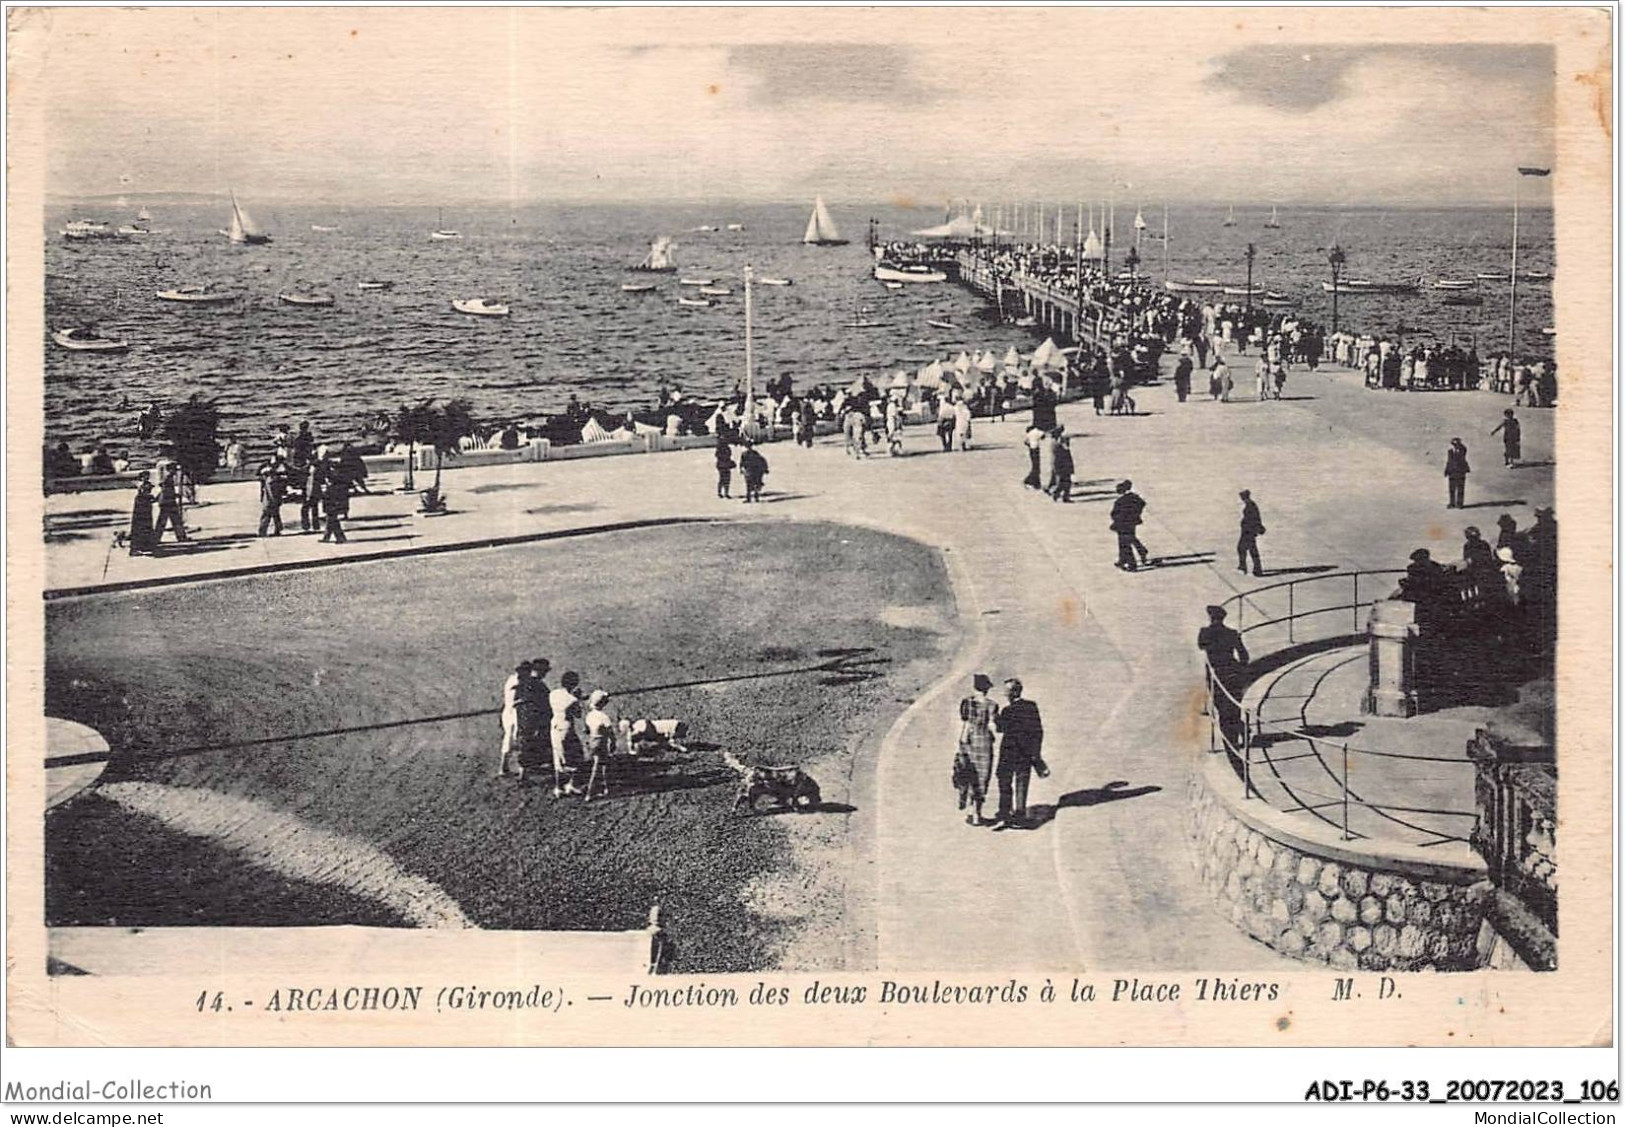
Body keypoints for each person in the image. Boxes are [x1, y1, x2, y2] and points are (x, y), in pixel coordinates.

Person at [992, 678, 1047, 828]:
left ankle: (1005, 812)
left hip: (1009, 751)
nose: (1004, 693)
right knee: (1022, 782)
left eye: (1006, 691)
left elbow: (1000, 729)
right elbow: (1038, 730)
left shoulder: (1007, 710)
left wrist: (996, 718)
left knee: (1004, 780)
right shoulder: (1031, 706)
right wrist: (1036, 752)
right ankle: (1020, 814)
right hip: (1025, 751)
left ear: (1012, 692)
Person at [1197, 606, 1250, 750]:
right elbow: (1244, 656)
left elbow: (1201, 646)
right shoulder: (1232, 633)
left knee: (1221, 706)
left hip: (1216, 673)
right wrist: (1239, 668)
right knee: (1233, 705)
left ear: (1210, 617)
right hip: (1232, 671)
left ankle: (1232, 739)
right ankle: (1241, 730)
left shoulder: (1205, 632)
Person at [954, 674, 1000, 826]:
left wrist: (962, 742)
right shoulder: (992, 705)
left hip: (970, 741)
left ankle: (968, 806)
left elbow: (966, 724)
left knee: (967, 773)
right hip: (985, 742)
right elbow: (993, 726)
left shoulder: (967, 703)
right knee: (982, 777)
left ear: (975, 688)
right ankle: (977, 813)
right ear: (986, 689)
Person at [549, 671, 586, 798]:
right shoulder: (572, 700)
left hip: (554, 727)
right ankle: (572, 785)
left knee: (558, 758)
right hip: (566, 728)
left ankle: (558, 788)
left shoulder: (553, 694)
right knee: (576, 756)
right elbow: (578, 714)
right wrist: (578, 699)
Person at [498, 661, 533, 778]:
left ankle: (504, 767)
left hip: (508, 714)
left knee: (508, 740)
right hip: (515, 715)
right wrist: (528, 699)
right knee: (519, 740)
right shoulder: (518, 683)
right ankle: (518, 770)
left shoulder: (511, 679)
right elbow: (515, 702)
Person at [582, 690, 617, 802]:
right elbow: (610, 732)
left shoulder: (589, 715)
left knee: (604, 764)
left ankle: (607, 788)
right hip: (601, 742)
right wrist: (613, 742)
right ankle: (589, 793)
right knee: (597, 767)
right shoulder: (604, 717)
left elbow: (586, 730)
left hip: (592, 741)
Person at [1109, 480, 1150, 571]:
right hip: (1132, 523)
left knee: (1125, 544)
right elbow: (1142, 504)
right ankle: (1128, 557)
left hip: (1122, 524)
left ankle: (1131, 564)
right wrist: (1136, 515)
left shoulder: (1120, 501)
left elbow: (1114, 513)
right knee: (1130, 539)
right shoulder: (1135, 498)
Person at [152, 463, 188, 545]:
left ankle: (180, 536)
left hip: (167, 501)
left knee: (171, 520)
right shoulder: (168, 478)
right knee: (168, 521)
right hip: (168, 502)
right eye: (174, 469)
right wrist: (175, 495)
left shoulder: (168, 477)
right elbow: (166, 491)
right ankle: (180, 537)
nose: (175, 471)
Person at [320, 456, 349, 543]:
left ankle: (339, 537)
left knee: (332, 520)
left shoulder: (339, 480)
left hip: (334, 503)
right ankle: (328, 537)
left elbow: (340, 494)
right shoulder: (335, 479)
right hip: (331, 502)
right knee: (331, 520)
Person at [127, 471, 156, 556]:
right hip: (141, 506)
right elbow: (144, 494)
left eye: (148, 476)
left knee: (146, 525)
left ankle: (145, 545)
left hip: (146, 507)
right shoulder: (141, 485)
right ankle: (136, 548)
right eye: (145, 476)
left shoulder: (147, 484)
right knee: (139, 527)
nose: (147, 478)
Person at [1237, 489, 1265, 576]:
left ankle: (1247, 567)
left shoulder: (1251, 506)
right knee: (1248, 549)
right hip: (1248, 531)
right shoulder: (1250, 505)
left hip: (1248, 531)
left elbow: (1255, 519)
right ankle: (1255, 568)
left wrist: (1254, 528)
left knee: (1244, 549)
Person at [257, 458, 287, 537]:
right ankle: (275, 529)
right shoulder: (272, 480)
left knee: (269, 515)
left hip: (270, 500)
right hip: (271, 500)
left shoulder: (270, 480)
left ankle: (264, 531)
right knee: (272, 515)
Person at [1444, 438, 1470, 509]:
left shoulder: (1462, 450)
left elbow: (1464, 449)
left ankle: (1459, 504)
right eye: (1454, 444)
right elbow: (1448, 461)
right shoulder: (1450, 451)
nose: (1455, 446)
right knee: (1452, 489)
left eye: (1456, 444)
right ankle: (1452, 503)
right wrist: (1446, 470)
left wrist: (1460, 445)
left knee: (1460, 489)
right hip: (1452, 472)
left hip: (1460, 471)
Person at [1050, 430, 1074, 503]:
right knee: (1063, 483)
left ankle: (1064, 496)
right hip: (1062, 468)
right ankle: (1058, 494)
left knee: (1067, 483)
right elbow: (1060, 459)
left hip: (1064, 468)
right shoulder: (1059, 446)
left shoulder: (1058, 445)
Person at [301, 457, 324, 532]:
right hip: (314, 492)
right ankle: (315, 526)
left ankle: (306, 526)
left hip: (310, 493)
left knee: (305, 510)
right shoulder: (316, 469)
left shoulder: (311, 471)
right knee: (314, 509)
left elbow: (311, 484)